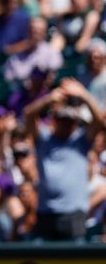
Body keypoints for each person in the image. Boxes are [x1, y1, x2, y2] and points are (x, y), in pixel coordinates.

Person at [24, 78, 105, 240]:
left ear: (75, 123)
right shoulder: (43, 138)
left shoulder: (81, 141)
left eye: (69, 121)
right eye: (61, 120)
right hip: (46, 213)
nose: (65, 124)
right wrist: (49, 99)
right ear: (54, 120)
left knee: (74, 262)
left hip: (73, 214)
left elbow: (100, 121)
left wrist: (83, 95)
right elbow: (28, 114)